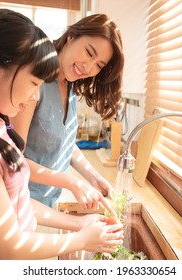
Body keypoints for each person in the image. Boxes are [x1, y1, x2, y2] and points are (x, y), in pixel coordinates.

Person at [0, 9, 123, 260]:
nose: (33, 97)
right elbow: (10, 248)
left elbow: (17, 204)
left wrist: (79, 225)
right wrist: (80, 239)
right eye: (33, 84)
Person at [11, 14, 124, 213]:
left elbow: (64, 143)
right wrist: (71, 182)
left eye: (99, 65)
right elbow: (13, 157)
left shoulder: (69, 85)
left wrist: (93, 176)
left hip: (47, 205)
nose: (88, 67)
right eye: (89, 52)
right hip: (20, 204)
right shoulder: (36, 81)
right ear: (71, 36)